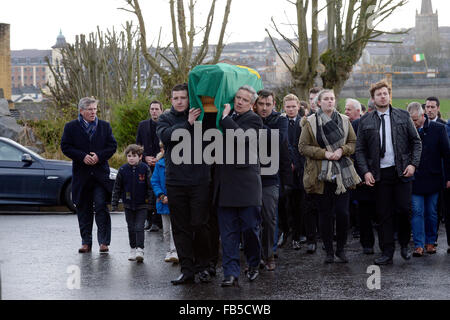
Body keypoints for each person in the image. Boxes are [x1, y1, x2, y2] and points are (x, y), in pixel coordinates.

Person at [355, 80, 422, 265]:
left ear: (389, 95)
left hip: (402, 172)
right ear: (373, 98)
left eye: (385, 93)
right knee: (383, 214)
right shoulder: (365, 121)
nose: (382, 96)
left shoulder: (402, 115)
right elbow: (359, 150)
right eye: (379, 94)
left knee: (404, 210)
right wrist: (365, 172)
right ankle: (387, 251)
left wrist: (413, 165)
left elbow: (416, 142)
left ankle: (404, 244)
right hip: (379, 174)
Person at [156, 83, 212, 285]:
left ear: (189, 99)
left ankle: (204, 267)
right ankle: (187, 270)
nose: (179, 101)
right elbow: (166, 136)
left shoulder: (201, 115)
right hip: (175, 181)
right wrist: (188, 123)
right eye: (175, 98)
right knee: (180, 228)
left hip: (199, 180)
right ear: (171, 100)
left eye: (183, 97)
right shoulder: (165, 118)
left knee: (200, 225)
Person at [299, 89, 361, 264]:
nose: (329, 102)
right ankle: (328, 251)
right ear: (319, 102)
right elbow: (302, 147)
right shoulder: (310, 122)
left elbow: (353, 143)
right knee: (325, 214)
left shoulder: (344, 120)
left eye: (332, 99)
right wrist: (324, 153)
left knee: (342, 213)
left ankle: (341, 249)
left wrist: (342, 150)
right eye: (326, 99)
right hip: (320, 174)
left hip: (342, 173)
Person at [214, 85, 263, 287]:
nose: (240, 101)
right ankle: (230, 273)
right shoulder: (224, 119)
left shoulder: (254, 120)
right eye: (238, 98)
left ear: (251, 104)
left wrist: (225, 119)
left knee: (251, 229)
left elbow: (241, 139)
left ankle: (253, 264)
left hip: (246, 185)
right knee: (228, 233)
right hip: (225, 184)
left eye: (244, 99)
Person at [61, 97, 117, 254]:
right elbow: (65, 147)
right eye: (90, 109)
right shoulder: (71, 127)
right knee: (83, 209)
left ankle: (104, 242)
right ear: (81, 111)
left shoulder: (104, 126)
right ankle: (86, 242)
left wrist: (99, 156)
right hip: (82, 176)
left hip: (100, 176)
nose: (93, 112)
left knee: (100, 206)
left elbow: (112, 146)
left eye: (95, 109)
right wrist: (82, 156)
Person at [254, 89, 291, 271]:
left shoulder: (281, 120)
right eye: (261, 104)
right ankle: (256, 258)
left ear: (274, 104)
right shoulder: (248, 119)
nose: (264, 108)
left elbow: (278, 139)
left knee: (269, 219)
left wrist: (257, 124)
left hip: (270, 178)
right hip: (249, 177)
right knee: (251, 220)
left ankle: (269, 255)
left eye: (268, 104)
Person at [407, 102, 450, 256]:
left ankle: (430, 242)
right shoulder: (407, 130)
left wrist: (448, 177)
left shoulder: (438, 129)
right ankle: (418, 245)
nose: (413, 123)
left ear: (422, 116)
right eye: (410, 120)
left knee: (431, 212)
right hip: (415, 179)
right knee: (417, 212)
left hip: (433, 178)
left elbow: (447, 154)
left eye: (415, 120)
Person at [111, 145, 154, 263]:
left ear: (140, 157)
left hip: (142, 204)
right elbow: (117, 187)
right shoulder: (123, 170)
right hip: (128, 204)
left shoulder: (145, 169)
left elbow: (150, 187)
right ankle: (133, 249)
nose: (131, 158)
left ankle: (140, 249)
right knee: (131, 227)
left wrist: (151, 203)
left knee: (139, 227)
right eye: (129, 156)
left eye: (134, 156)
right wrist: (114, 203)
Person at [280, 94, 306, 251]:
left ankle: (297, 235)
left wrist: (295, 163)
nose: (290, 109)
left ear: (298, 107)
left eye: (293, 106)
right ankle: (285, 231)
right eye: (288, 107)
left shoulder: (303, 123)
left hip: (300, 169)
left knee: (299, 204)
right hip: (284, 168)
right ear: (284, 107)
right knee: (283, 203)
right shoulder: (281, 122)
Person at [136, 100, 164, 232]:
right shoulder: (142, 125)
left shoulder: (165, 125)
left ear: (161, 110)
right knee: (145, 192)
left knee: (158, 191)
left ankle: (157, 221)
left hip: (160, 163)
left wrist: (159, 157)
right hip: (146, 163)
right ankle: (148, 219)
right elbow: (138, 145)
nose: (154, 111)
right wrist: (145, 157)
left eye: (157, 109)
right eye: (152, 109)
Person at [151, 142, 179, 263]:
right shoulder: (159, 165)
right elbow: (155, 181)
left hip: (177, 201)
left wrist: (172, 196)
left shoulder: (179, 163)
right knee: (166, 230)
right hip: (163, 202)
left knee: (176, 228)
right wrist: (161, 195)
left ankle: (175, 250)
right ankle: (169, 250)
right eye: (163, 148)